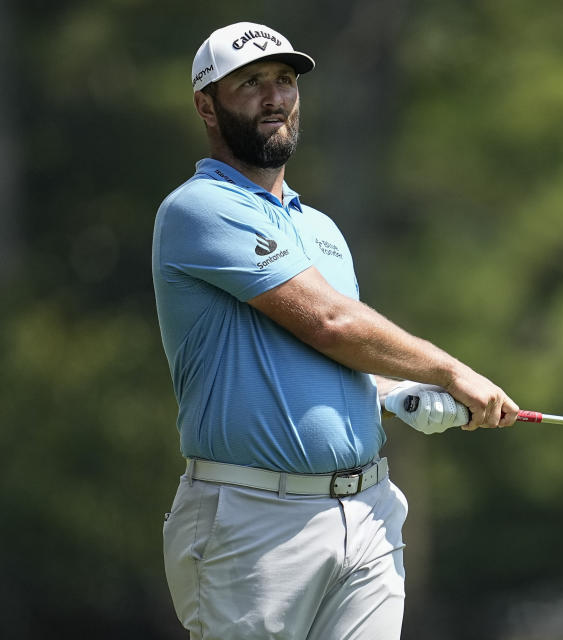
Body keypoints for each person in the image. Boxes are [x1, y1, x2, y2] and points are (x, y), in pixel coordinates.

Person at [152, 21, 519, 640]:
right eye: (250, 84)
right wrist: (450, 371)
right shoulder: (198, 208)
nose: (275, 98)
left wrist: (392, 396)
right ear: (205, 107)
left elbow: (337, 354)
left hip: (368, 511)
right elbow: (329, 322)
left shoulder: (321, 228)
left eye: (285, 81)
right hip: (254, 523)